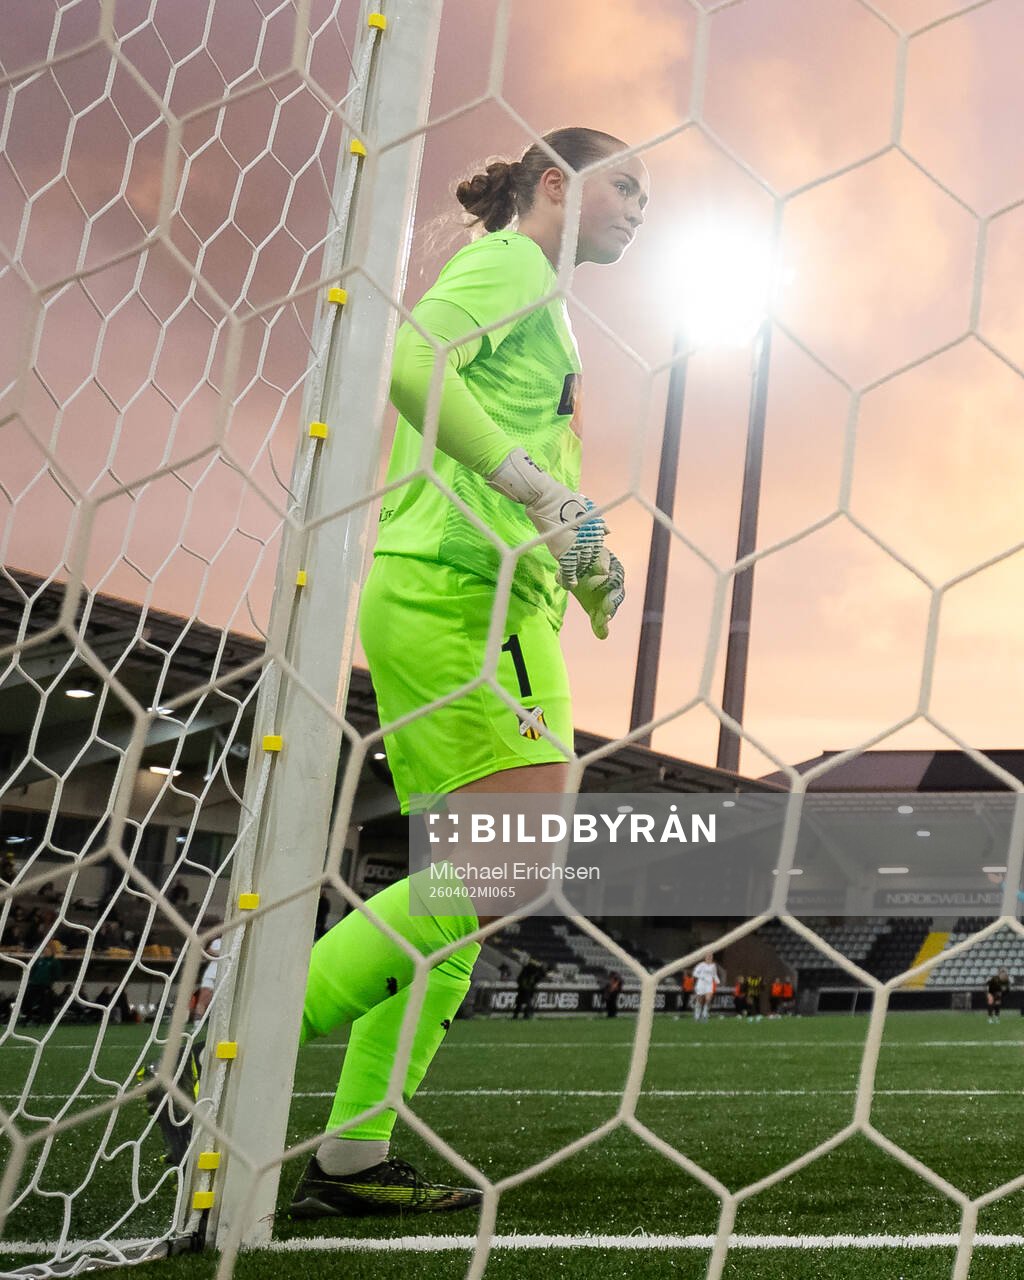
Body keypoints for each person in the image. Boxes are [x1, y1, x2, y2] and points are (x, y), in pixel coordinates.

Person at [291, 126, 647, 1220]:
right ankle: (224, 1033)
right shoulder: (511, 264)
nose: (641, 209)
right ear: (556, 184)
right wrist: (539, 492)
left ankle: (351, 1154)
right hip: (460, 594)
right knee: (499, 873)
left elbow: (524, 469)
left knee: (465, 897)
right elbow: (402, 362)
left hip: (485, 594)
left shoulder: (544, 299)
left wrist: (577, 557)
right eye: (627, 186)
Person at [691, 953, 718, 1022]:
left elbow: (714, 974)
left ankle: (704, 1014)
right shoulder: (701, 965)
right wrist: (701, 977)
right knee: (699, 1000)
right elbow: (694, 973)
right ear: (705, 958)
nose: (709, 958)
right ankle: (697, 1015)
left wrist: (716, 979)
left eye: (711, 956)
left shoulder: (713, 965)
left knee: (708, 999)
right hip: (701, 984)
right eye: (708, 956)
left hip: (709, 984)